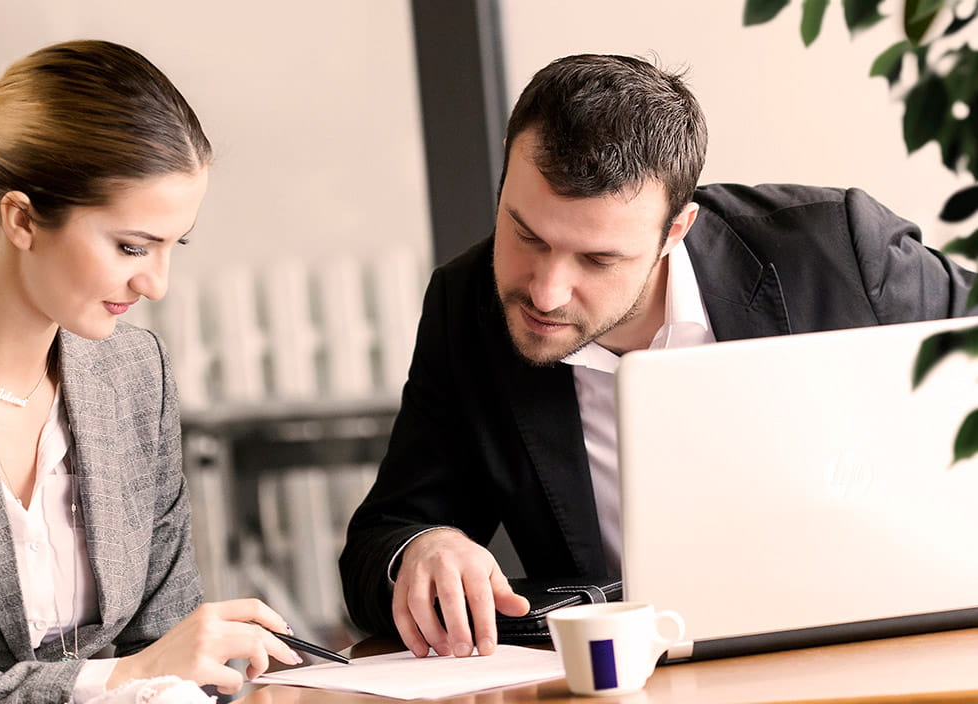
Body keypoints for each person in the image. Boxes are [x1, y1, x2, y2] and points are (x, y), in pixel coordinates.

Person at [339, 53, 977, 659]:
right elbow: (381, 537)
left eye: (597, 259)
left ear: (677, 231)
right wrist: (423, 548)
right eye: (526, 236)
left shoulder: (840, 251)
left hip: (895, 647)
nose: (545, 290)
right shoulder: (468, 306)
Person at [0, 40, 301, 703]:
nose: (155, 284)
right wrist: (120, 678)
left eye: (171, 246)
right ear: (21, 218)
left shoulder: (135, 374)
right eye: (132, 246)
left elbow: (169, 652)